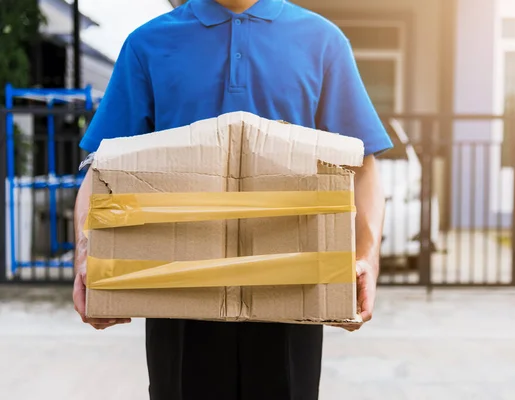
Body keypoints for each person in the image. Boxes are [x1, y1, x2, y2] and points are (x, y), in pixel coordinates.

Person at [72, 0, 392, 399]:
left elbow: (362, 165)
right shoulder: (148, 44)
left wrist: (366, 257)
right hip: (178, 291)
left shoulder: (322, 41)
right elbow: (101, 170)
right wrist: (86, 257)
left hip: (294, 287)